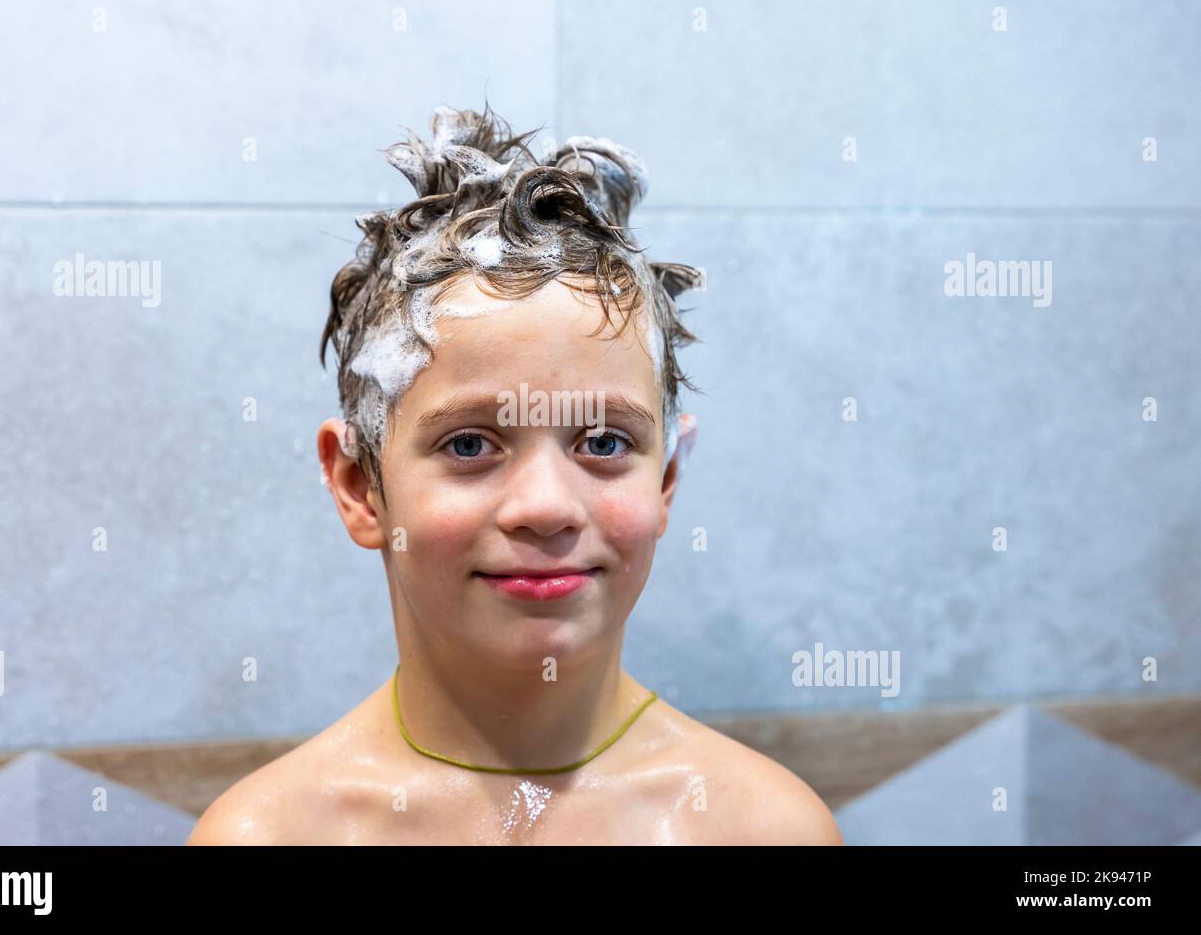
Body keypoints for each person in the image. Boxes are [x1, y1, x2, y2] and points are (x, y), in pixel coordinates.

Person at [188, 103, 842, 845]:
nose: (545, 507)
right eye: (470, 446)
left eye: (602, 441)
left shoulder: (763, 829)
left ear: (666, 480)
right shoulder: (267, 837)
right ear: (359, 487)